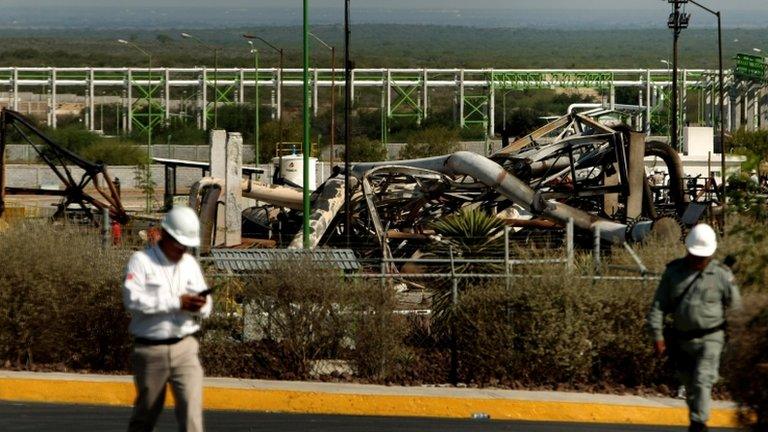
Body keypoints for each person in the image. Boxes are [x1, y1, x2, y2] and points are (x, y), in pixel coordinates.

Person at [123, 206, 212, 432]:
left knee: (192, 414)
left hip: (185, 348)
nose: (182, 249)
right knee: (146, 415)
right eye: (178, 243)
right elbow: (133, 300)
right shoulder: (141, 261)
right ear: (165, 234)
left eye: (186, 245)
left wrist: (199, 306)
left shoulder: (190, 264)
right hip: (151, 351)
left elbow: (206, 302)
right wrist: (177, 302)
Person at [647, 223, 741, 432]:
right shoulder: (673, 273)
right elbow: (658, 307)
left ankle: (699, 425)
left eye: (703, 257)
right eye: (696, 255)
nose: (699, 260)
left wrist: (737, 340)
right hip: (682, 340)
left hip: (712, 338)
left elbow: (736, 308)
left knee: (702, 380)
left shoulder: (721, 274)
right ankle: (696, 421)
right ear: (688, 250)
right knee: (689, 385)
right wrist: (657, 336)